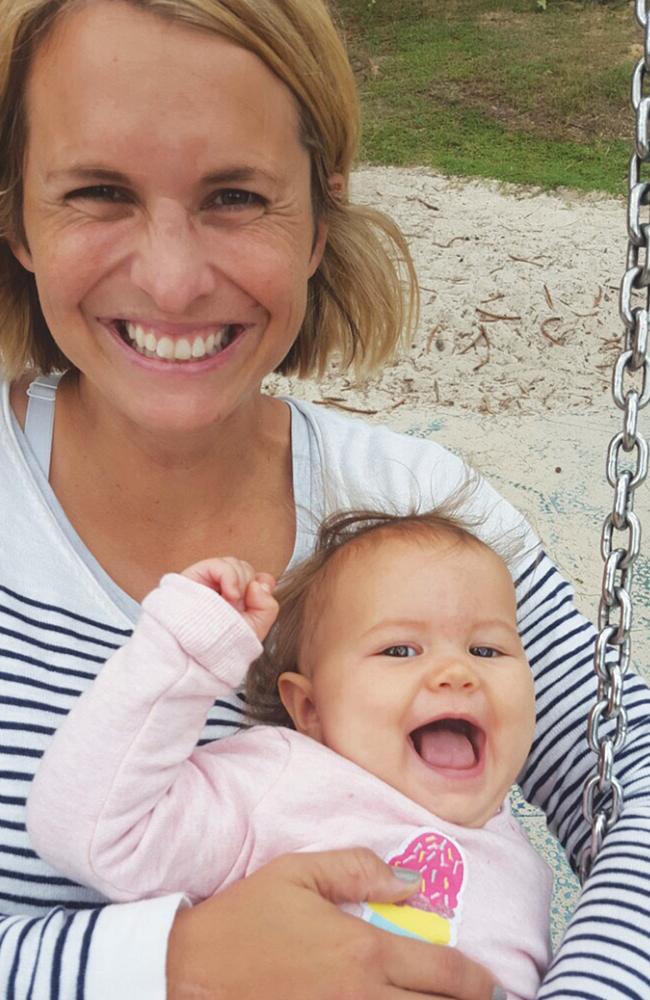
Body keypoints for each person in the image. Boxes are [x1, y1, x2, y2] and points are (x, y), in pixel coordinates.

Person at [0, 0, 648, 998]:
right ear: (18, 220)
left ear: (316, 219)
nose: (172, 282)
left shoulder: (420, 516)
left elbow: (629, 776)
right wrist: (168, 965)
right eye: (98, 191)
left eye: (234, 197)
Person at [27, 507, 554, 1000]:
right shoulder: (280, 778)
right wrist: (183, 653)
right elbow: (92, 831)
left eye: (487, 650)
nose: (457, 672)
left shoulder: (521, 863)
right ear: (310, 708)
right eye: (399, 650)